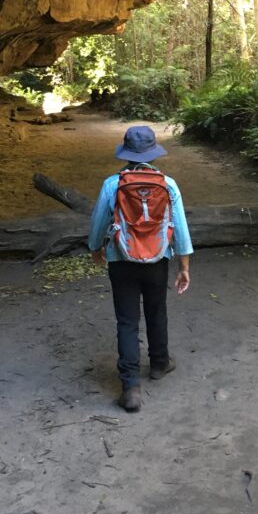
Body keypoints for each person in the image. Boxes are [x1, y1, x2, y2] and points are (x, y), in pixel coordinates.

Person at [88, 125, 193, 413]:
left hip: (121, 259)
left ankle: (131, 386)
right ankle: (160, 363)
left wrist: (96, 248)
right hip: (158, 259)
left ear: (126, 154)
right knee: (157, 310)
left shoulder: (113, 184)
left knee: (127, 321)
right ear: (152, 152)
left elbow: (98, 224)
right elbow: (180, 230)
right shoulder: (168, 184)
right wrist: (183, 266)